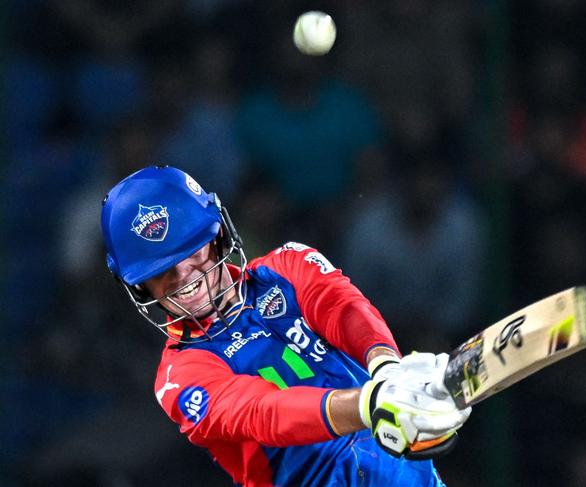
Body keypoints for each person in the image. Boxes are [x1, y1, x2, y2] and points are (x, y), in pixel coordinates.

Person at [100, 165, 472, 486]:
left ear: (218, 235)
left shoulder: (287, 265)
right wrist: (372, 404)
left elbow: (342, 308)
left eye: (191, 249)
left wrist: (390, 370)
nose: (184, 276)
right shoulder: (180, 376)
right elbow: (264, 411)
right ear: (138, 286)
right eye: (161, 271)